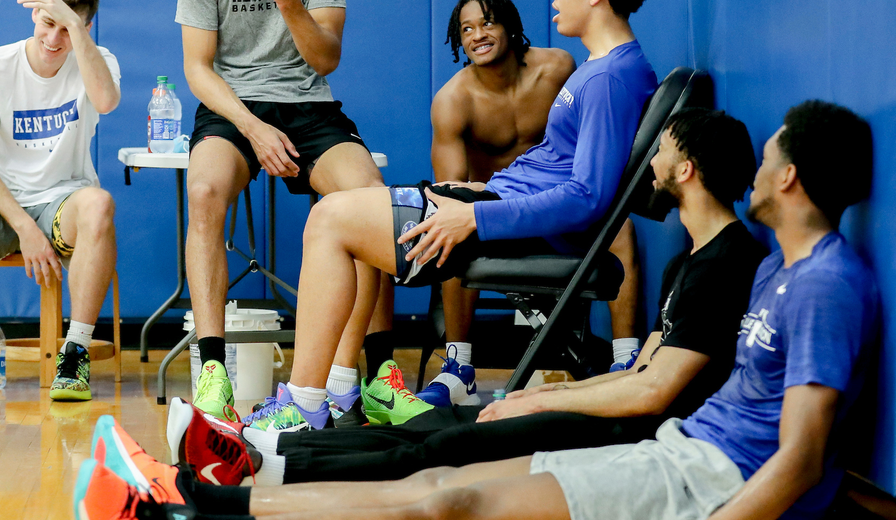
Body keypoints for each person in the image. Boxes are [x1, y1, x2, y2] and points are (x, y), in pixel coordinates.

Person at [76, 100, 881, 520]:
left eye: (772, 156)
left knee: (447, 502)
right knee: (435, 479)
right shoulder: (780, 266)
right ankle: (202, 500)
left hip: (698, 488)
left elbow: (802, 458)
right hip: (675, 455)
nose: (757, 169)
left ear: (789, 179)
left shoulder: (825, 284)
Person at [163, 108, 767, 487]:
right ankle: (256, 446)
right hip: (611, 411)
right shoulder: (690, 258)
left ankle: (263, 466)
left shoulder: (728, 263)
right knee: (444, 420)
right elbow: (641, 369)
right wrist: (549, 394)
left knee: (440, 446)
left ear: (685, 169)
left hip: (630, 440)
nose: (649, 159)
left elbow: (655, 392)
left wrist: (538, 407)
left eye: (660, 148)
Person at [234, 0, 662, 433]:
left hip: (497, 224)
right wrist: (485, 190)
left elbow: (589, 197)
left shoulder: (610, 78)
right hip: (491, 202)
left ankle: (307, 404)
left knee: (330, 220)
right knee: (343, 215)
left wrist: (477, 215)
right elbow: (562, 168)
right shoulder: (602, 68)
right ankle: (337, 391)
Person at [176, 0, 387, 420]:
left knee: (371, 201)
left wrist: (290, 1)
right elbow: (197, 67)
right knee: (204, 190)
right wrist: (252, 127)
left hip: (308, 102)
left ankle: (346, 378)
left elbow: (326, 60)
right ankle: (213, 370)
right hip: (232, 103)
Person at [0, 0, 121, 403]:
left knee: (100, 203)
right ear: (34, 16)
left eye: (68, 27)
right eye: (49, 23)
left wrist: (77, 29)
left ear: (85, 27)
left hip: (65, 200)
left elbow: (106, 101)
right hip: (2, 207)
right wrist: (25, 228)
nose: (54, 39)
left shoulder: (97, 60)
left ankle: (74, 353)